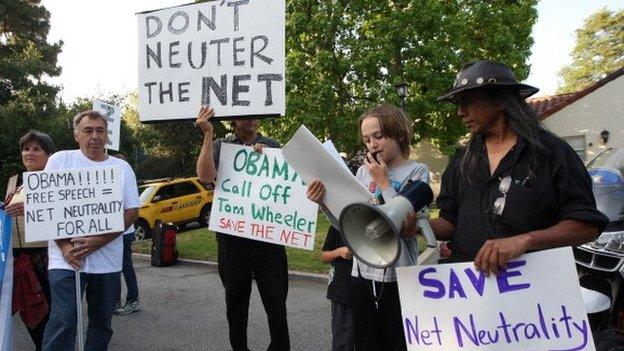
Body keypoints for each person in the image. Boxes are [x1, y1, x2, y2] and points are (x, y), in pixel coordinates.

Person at [414, 59, 608, 275]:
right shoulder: (461, 160)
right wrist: (417, 227)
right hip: (469, 292)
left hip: (532, 290)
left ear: (499, 101)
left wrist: (525, 241)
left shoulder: (552, 153)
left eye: (467, 101)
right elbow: (450, 223)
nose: (460, 112)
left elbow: (587, 227)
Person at [307, 104, 430, 351]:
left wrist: (384, 182)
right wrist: (324, 203)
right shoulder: (363, 172)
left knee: (396, 341)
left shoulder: (417, 171)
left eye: (379, 136)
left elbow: (402, 221)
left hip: (398, 274)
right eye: (367, 139)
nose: (372, 144)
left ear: (400, 133)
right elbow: (349, 223)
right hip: (362, 273)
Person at [41, 111, 140, 351]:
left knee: (102, 322)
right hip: (65, 260)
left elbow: (131, 212)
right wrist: (65, 247)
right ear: (76, 134)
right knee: (64, 320)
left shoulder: (122, 167)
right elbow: (46, 206)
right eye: (88, 130)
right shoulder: (59, 161)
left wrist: (97, 241)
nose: (94, 136)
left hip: (107, 262)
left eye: (100, 130)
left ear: (107, 135)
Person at [195, 106, 290, 351]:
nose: (250, 118)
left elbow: (288, 186)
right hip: (232, 237)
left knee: (276, 302)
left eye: (254, 114)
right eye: (244, 113)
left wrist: (270, 159)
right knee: (235, 303)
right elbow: (205, 176)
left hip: (267, 237)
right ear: (233, 118)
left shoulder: (272, 144)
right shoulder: (220, 145)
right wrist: (207, 135)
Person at [4, 131, 54, 351]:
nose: (29, 153)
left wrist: (32, 209)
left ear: (48, 154)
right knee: (31, 316)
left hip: (46, 259)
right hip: (18, 261)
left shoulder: (55, 181)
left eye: (36, 149)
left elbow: (65, 214)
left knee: (48, 317)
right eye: (26, 148)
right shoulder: (15, 183)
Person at [111, 154, 141, 316]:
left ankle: (132, 299)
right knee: (115, 268)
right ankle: (115, 301)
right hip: (117, 233)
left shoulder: (124, 184)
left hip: (124, 232)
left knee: (125, 267)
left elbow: (132, 209)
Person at [320, 226, 355, 351]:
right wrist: (339, 252)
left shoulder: (374, 220)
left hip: (369, 292)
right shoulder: (337, 224)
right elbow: (324, 256)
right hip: (342, 291)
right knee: (343, 341)